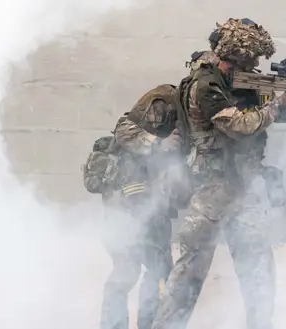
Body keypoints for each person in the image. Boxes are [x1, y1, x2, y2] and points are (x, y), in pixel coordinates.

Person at [150, 18, 286, 329]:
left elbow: (270, 115)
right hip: (210, 192)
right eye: (249, 59)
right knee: (188, 277)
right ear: (236, 55)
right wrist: (278, 105)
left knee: (259, 273)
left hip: (244, 190)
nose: (254, 64)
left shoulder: (239, 83)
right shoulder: (206, 85)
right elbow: (240, 125)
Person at [85, 82, 184, 329]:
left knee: (157, 271)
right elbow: (123, 131)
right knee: (127, 270)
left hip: (153, 206)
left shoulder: (194, 110)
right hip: (126, 205)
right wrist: (157, 144)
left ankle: (148, 324)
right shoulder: (165, 101)